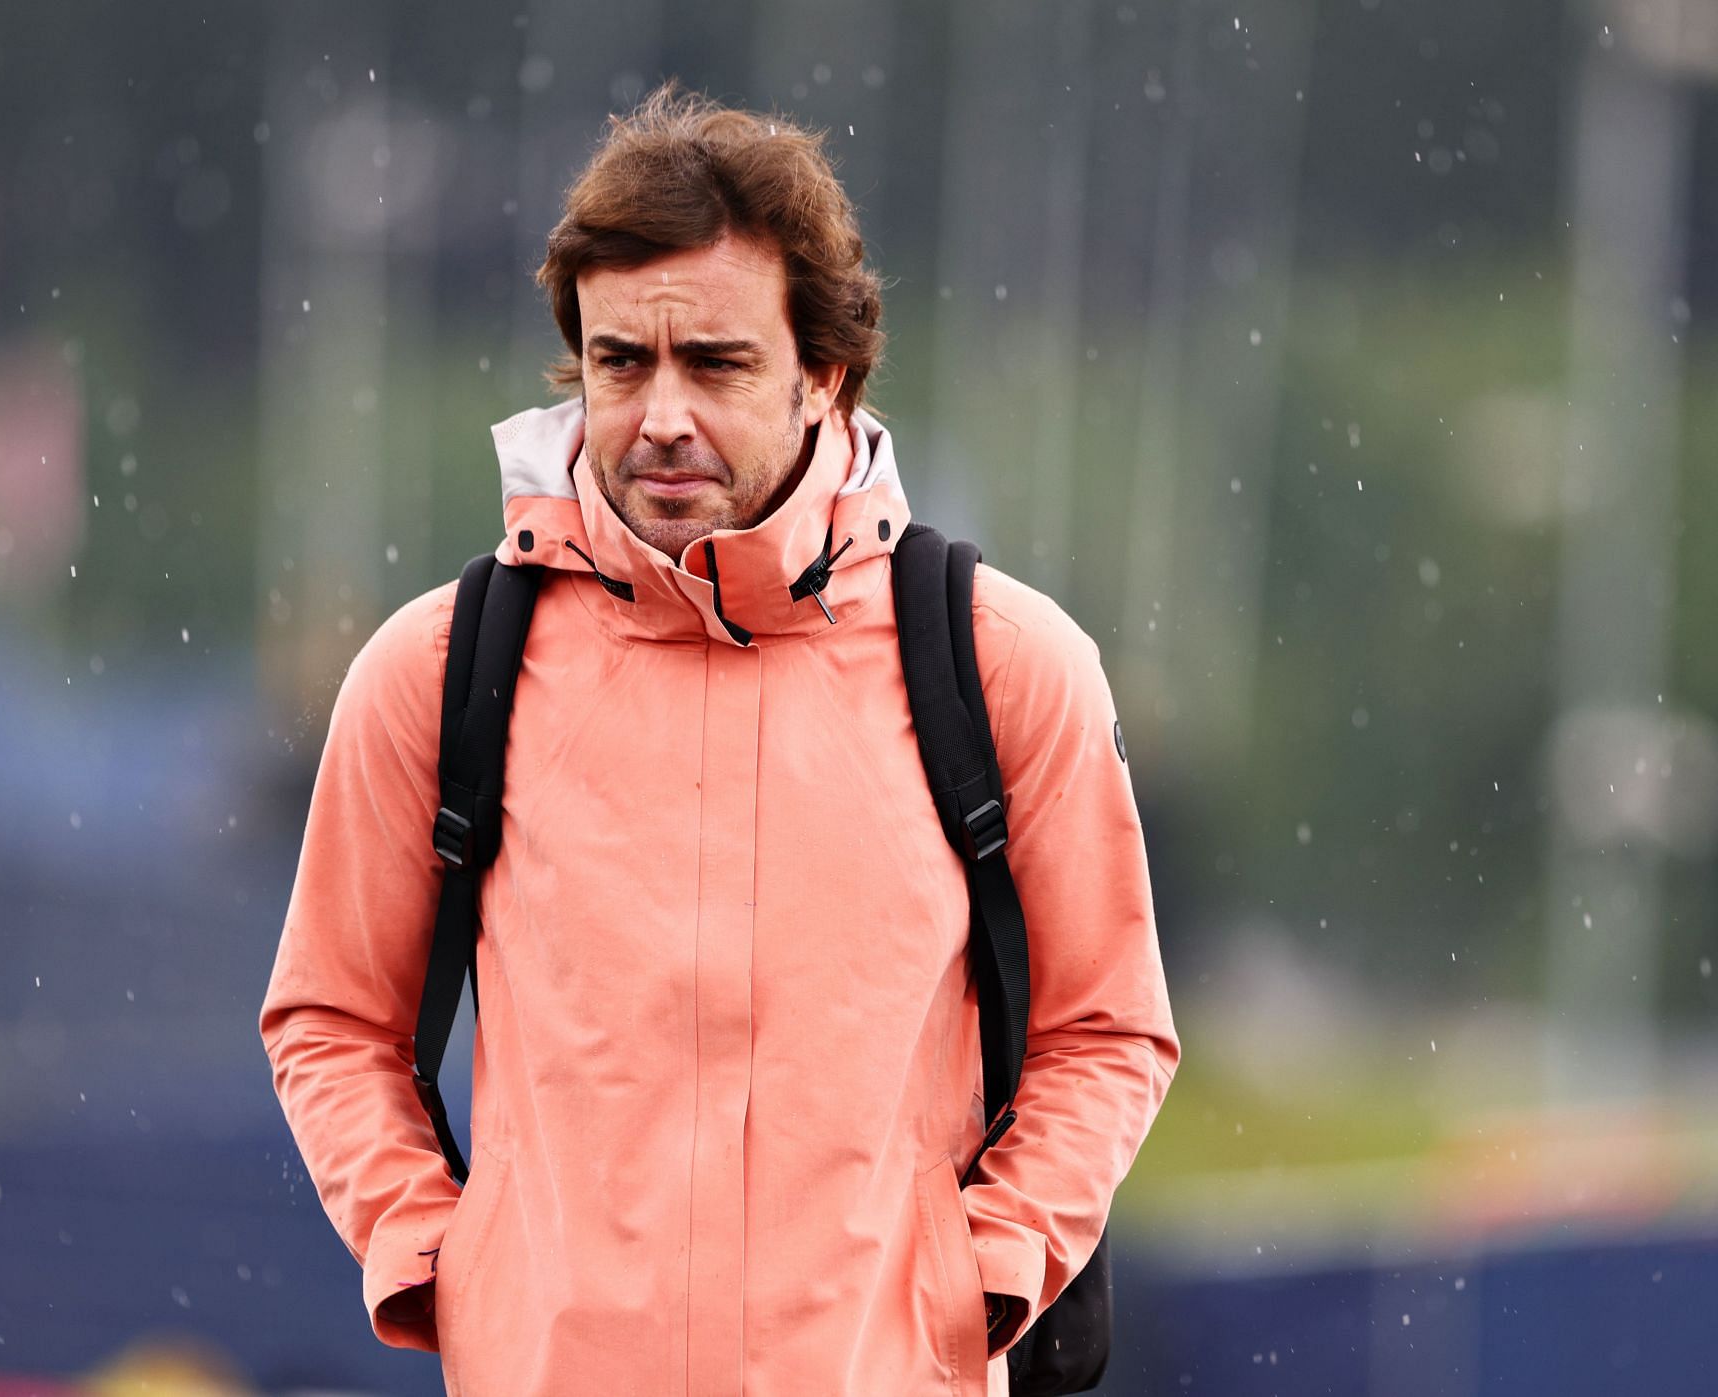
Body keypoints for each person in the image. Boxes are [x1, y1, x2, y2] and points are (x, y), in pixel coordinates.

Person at [258, 80, 1179, 1397]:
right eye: (622, 362)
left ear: (826, 372)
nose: (662, 413)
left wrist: (987, 1265)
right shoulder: (442, 668)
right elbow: (330, 1017)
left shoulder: (1005, 664)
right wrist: (438, 1254)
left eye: (719, 362)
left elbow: (1110, 1028)